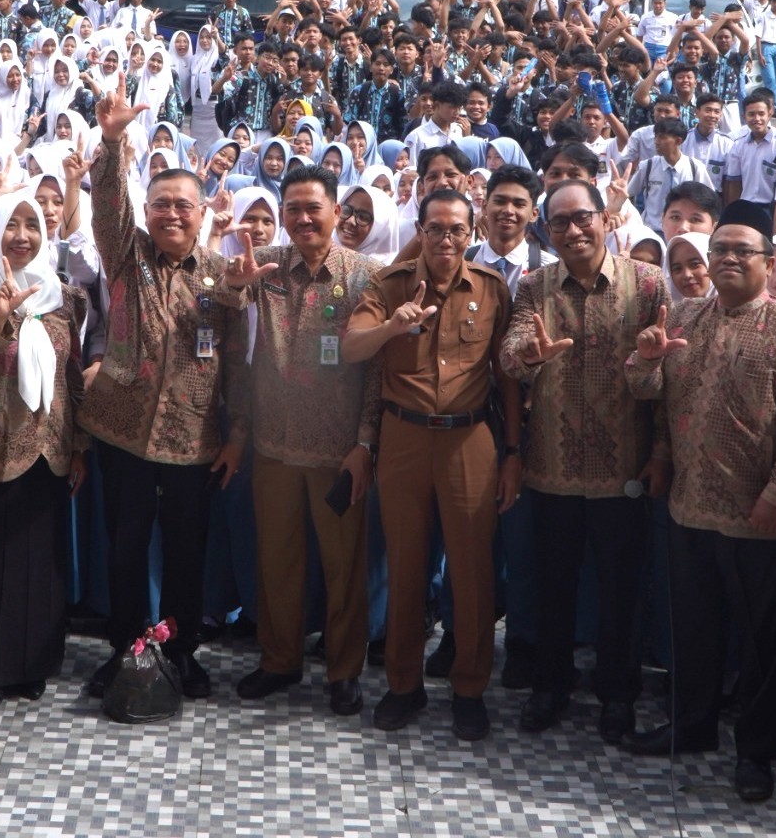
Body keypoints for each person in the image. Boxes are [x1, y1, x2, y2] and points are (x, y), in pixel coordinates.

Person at [626, 214, 776, 802]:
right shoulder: (684, 317)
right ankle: (693, 725)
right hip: (689, 507)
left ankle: (756, 753)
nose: (729, 259)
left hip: (757, 515)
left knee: (761, 644)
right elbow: (651, 397)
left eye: (743, 251)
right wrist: (645, 362)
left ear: (769, 262)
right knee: (694, 629)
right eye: (720, 250)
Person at [495, 178, 678, 742]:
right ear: (545, 230)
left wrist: (660, 451)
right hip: (552, 467)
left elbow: (666, 384)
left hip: (622, 471)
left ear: (604, 219)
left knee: (622, 590)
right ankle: (551, 685)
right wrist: (529, 354)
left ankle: (617, 692)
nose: (573, 231)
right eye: (559, 222)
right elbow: (510, 353)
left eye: (582, 218)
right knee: (552, 585)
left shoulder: (647, 283)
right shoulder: (536, 286)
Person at [78, 86, 243, 700]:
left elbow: (238, 368)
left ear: (203, 214)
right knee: (124, 549)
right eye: (161, 205)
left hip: (193, 438)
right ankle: (126, 649)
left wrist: (237, 434)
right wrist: (112, 140)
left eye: (184, 206)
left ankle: (179, 650)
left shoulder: (223, 277)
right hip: (122, 430)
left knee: (184, 552)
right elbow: (107, 207)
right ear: (146, 212)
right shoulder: (128, 256)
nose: (172, 215)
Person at [343, 186, 511, 738]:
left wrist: (512, 452)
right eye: (435, 228)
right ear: (419, 230)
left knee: (471, 570)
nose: (445, 239)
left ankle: (469, 689)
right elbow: (352, 347)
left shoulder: (491, 287)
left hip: (469, 440)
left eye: (457, 230)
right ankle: (403, 685)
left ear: (472, 233)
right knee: (405, 565)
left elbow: (505, 375)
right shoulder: (389, 284)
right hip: (405, 438)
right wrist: (392, 327)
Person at [223, 167, 380, 716]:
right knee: (277, 558)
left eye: (314, 208)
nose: (303, 219)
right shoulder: (265, 266)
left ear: (337, 212)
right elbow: (220, 296)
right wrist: (233, 285)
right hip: (274, 443)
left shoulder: (364, 276)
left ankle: (344, 669)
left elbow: (376, 370)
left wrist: (365, 442)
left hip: (338, 450)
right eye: (292, 209)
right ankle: (280, 659)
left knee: (344, 564)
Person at [0, 193, 86, 709]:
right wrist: (1, 317)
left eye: (32, 225)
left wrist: (79, 445)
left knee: (38, 562)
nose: (22, 235)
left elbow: (72, 374)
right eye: (11, 224)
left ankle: (32, 665)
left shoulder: (62, 297)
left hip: (48, 452)